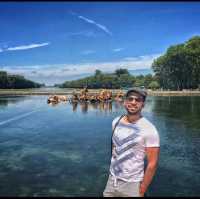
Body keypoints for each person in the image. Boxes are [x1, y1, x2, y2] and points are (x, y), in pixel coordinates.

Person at [103, 88, 160, 197]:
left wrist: (142, 190)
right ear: (125, 102)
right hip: (112, 180)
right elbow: (115, 148)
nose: (133, 102)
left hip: (132, 185)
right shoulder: (116, 121)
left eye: (138, 100)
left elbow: (152, 164)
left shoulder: (149, 129)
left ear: (143, 104)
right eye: (130, 99)